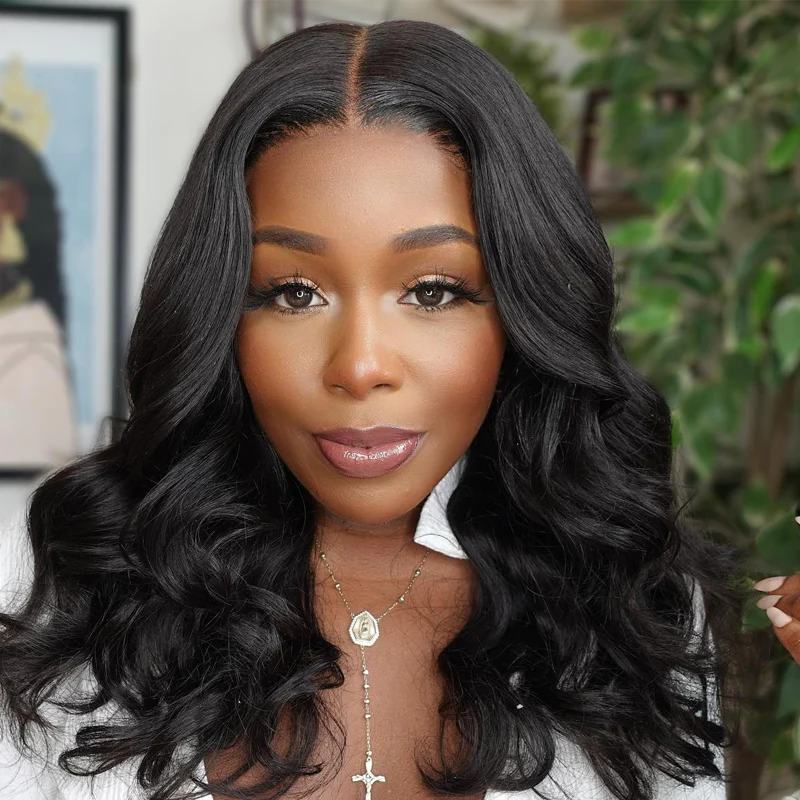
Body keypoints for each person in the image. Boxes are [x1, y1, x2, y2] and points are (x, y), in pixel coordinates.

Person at [0, 19, 746, 800]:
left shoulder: (631, 601)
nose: (360, 368)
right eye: (294, 293)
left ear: (523, 308)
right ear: (220, 310)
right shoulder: (60, 579)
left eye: (433, 291)